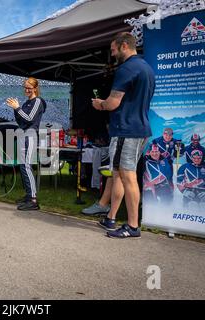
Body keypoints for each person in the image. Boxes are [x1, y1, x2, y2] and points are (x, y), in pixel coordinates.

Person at [92, 32, 155, 239]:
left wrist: (100, 104)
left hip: (126, 130)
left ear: (124, 46)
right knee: (119, 174)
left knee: (127, 176)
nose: (112, 54)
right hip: (139, 129)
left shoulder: (126, 69)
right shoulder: (146, 68)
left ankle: (133, 226)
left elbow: (113, 103)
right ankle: (111, 218)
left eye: (113, 50)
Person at [6, 77, 46, 211]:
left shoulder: (37, 101)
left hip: (30, 135)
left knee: (26, 166)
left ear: (35, 88)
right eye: (25, 87)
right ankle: (29, 196)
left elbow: (29, 119)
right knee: (23, 166)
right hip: (23, 134)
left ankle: (33, 200)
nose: (27, 90)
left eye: (29, 87)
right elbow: (21, 121)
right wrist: (15, 109)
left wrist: (17, 108)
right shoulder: (26, 103)